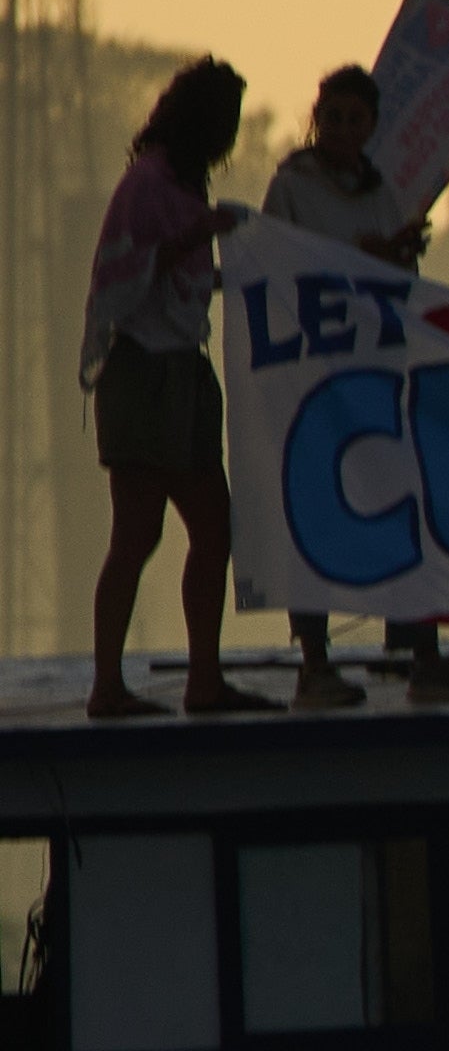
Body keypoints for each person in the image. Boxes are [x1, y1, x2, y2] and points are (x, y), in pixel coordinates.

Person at [255, 64, 441, 703]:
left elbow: (395, 277)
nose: (339, 128)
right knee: (313, 507)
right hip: (309, 376)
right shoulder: (291, 186)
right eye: (330, 116)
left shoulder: (381, 189)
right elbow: (273, 267)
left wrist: (394, 251)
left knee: (402, 501)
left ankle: (424, 652)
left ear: (371, 126)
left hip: (375, 370)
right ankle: (315, 661)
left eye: (353, 119)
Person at [80, 55, 251, 718]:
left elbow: (185, 284)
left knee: (213, 528)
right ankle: (106, 685)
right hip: (143, 373)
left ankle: (204, 679)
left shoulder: (185, 184)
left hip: (184, 368)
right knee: (137, 534)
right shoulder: (146, 185)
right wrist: (192, 240)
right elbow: (121, 274)